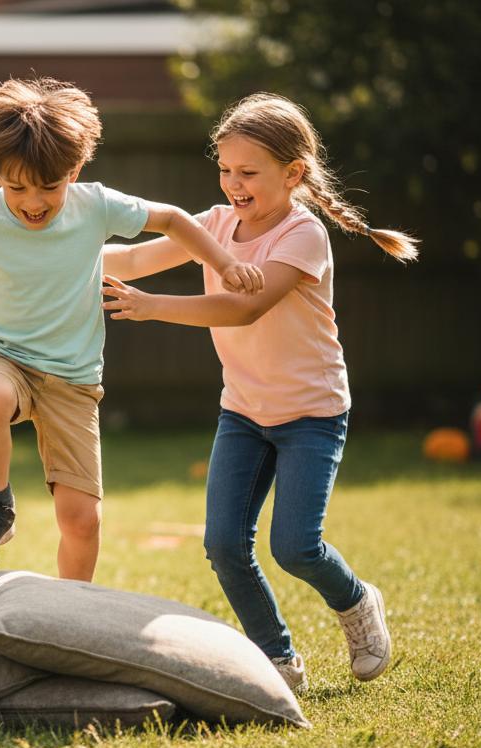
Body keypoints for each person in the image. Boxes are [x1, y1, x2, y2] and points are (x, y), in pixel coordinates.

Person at [0, 77, 262, 581]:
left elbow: (172, 220)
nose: (33, 201)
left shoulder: (95, 205)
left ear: (73, 172)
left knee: (82, 521)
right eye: (16, 187)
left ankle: (71, 611)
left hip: (73, 379)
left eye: (49, 187)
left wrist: (226, 264)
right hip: (3, 356)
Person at [100, 93, 416, 690]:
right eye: (225, 169)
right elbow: (136, 258)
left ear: (293, 173)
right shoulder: (216, 224)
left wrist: (151, 307)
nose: (232, 184)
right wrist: (58, 255)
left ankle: (356, 602)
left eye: (247, 172)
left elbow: (244, 307)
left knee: (295, 547)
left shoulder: (304, 235)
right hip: (244, 412)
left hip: (311, 414)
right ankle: (278, 659)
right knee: (224, 545)